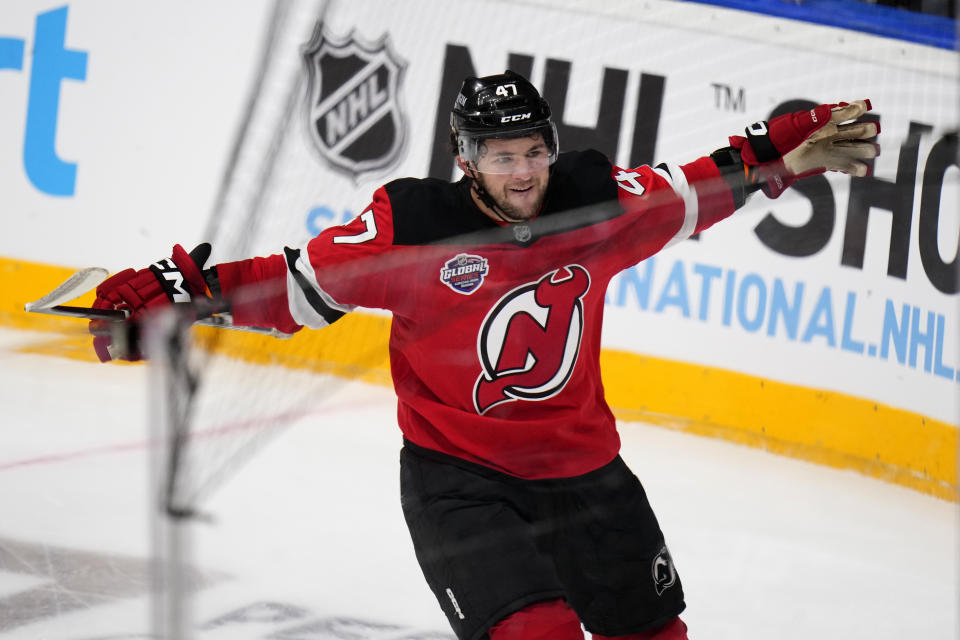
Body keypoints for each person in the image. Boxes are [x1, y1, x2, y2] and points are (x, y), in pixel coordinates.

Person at [89, 71, 879, 639]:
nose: (523, 172)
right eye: (501, 157)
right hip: (460, 482)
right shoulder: (410, 230)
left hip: (589, 476)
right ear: (467, 159)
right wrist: (185, 290)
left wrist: (773, 152)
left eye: (533, 153)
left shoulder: (595, 203)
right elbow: (292, 287)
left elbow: (696, 186)